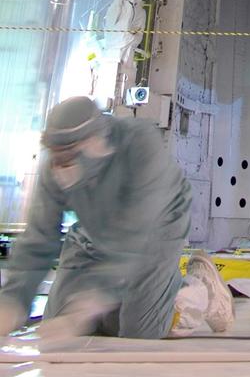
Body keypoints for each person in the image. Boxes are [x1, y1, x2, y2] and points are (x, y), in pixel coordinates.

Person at [0, 96, 233, 339]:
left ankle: (199, 289)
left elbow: (136, 233)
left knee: (140, 333)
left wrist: (91, 300)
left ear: (93, 144)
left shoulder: (142, 144)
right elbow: (39, 237)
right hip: (94, 232)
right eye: (55, 154)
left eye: (67, 155)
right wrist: (13, 300)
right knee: (62, 326)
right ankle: (123, 304)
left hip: (156, 228)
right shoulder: (56, 167)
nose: (59, 164)